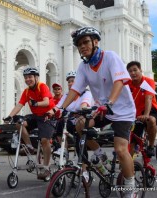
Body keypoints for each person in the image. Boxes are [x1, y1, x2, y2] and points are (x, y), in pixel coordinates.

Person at [55, 26, 136, 197]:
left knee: (121, 149)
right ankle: (101, 159)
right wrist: (60, 109)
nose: (83, 46)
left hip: (122, 110)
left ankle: (130, 186)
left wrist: (109, 102)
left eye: (86, 42)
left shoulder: (110, 57)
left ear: (95, 42)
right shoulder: (84, 67)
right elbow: (75, 90)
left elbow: (119, 81)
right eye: (79, 45)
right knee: (80, 125)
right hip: (102, 110)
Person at [54, 70, 109, 183]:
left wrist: (82, 109)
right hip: (71, 121)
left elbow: (84, 105)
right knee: (60, 124)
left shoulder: (86, 93)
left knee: (80, 142)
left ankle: (84, 170)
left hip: (84, 121)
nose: (70, 83)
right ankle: (63, 150)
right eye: (69, 81)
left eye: (73, 81)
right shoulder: (66, 95)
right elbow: (58, 107)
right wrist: (50, 112)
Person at [4, 67, 55, 180]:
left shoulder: (42, 86)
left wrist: (35, 103)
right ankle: (30, 146)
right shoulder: (26, 91)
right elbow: (19, 105)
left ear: (36, 77)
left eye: (30, 77)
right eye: (26, 77)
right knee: (19, 124)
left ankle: (46, 168)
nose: (28, 79)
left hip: (47, 116)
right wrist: (10, 116)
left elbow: (46, 101)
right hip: (36, 116)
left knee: (44, 141)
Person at [126, 61, 157, 157]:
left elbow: (148, 98)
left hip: (151, 110)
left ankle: (151, 146)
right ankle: (127, 167)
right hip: (136, 114)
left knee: (151, 120)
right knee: (132, 143)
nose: (132, 73)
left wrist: (146, 114)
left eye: (135, 70)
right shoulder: (128, 84)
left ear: (140, 70)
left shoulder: (148, 81)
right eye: (130, 71)